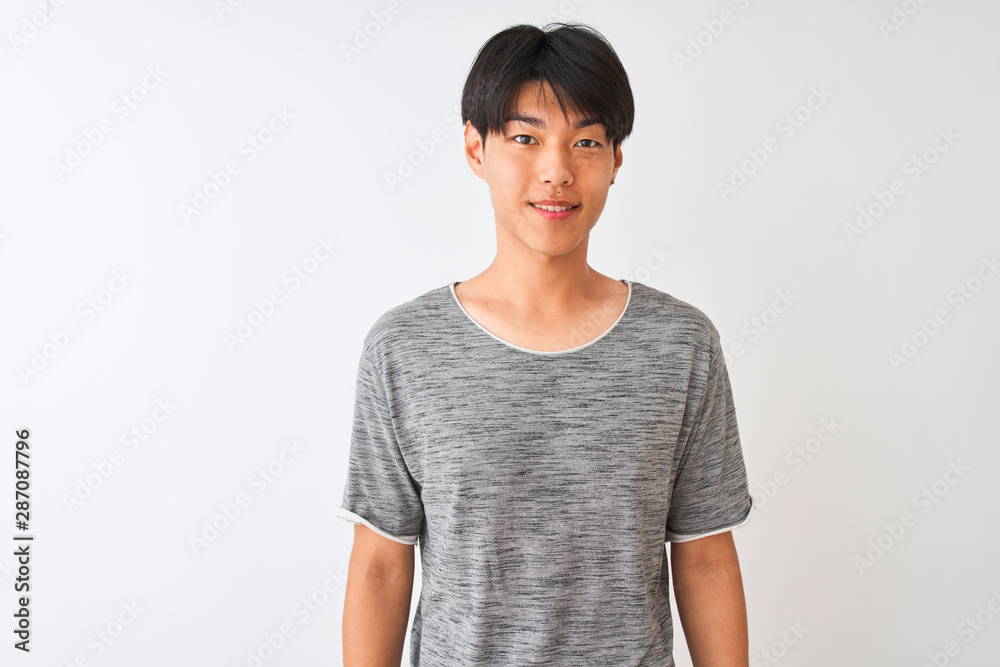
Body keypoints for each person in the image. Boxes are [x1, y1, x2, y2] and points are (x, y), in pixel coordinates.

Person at [338, 21, 756, 667]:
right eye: (526, 138)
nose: (557, 169)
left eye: (585, 141)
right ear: (476, 149)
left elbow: (702, 556)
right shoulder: (405, 348)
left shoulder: (681, 345)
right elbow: (380, 567)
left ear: (616, 159)